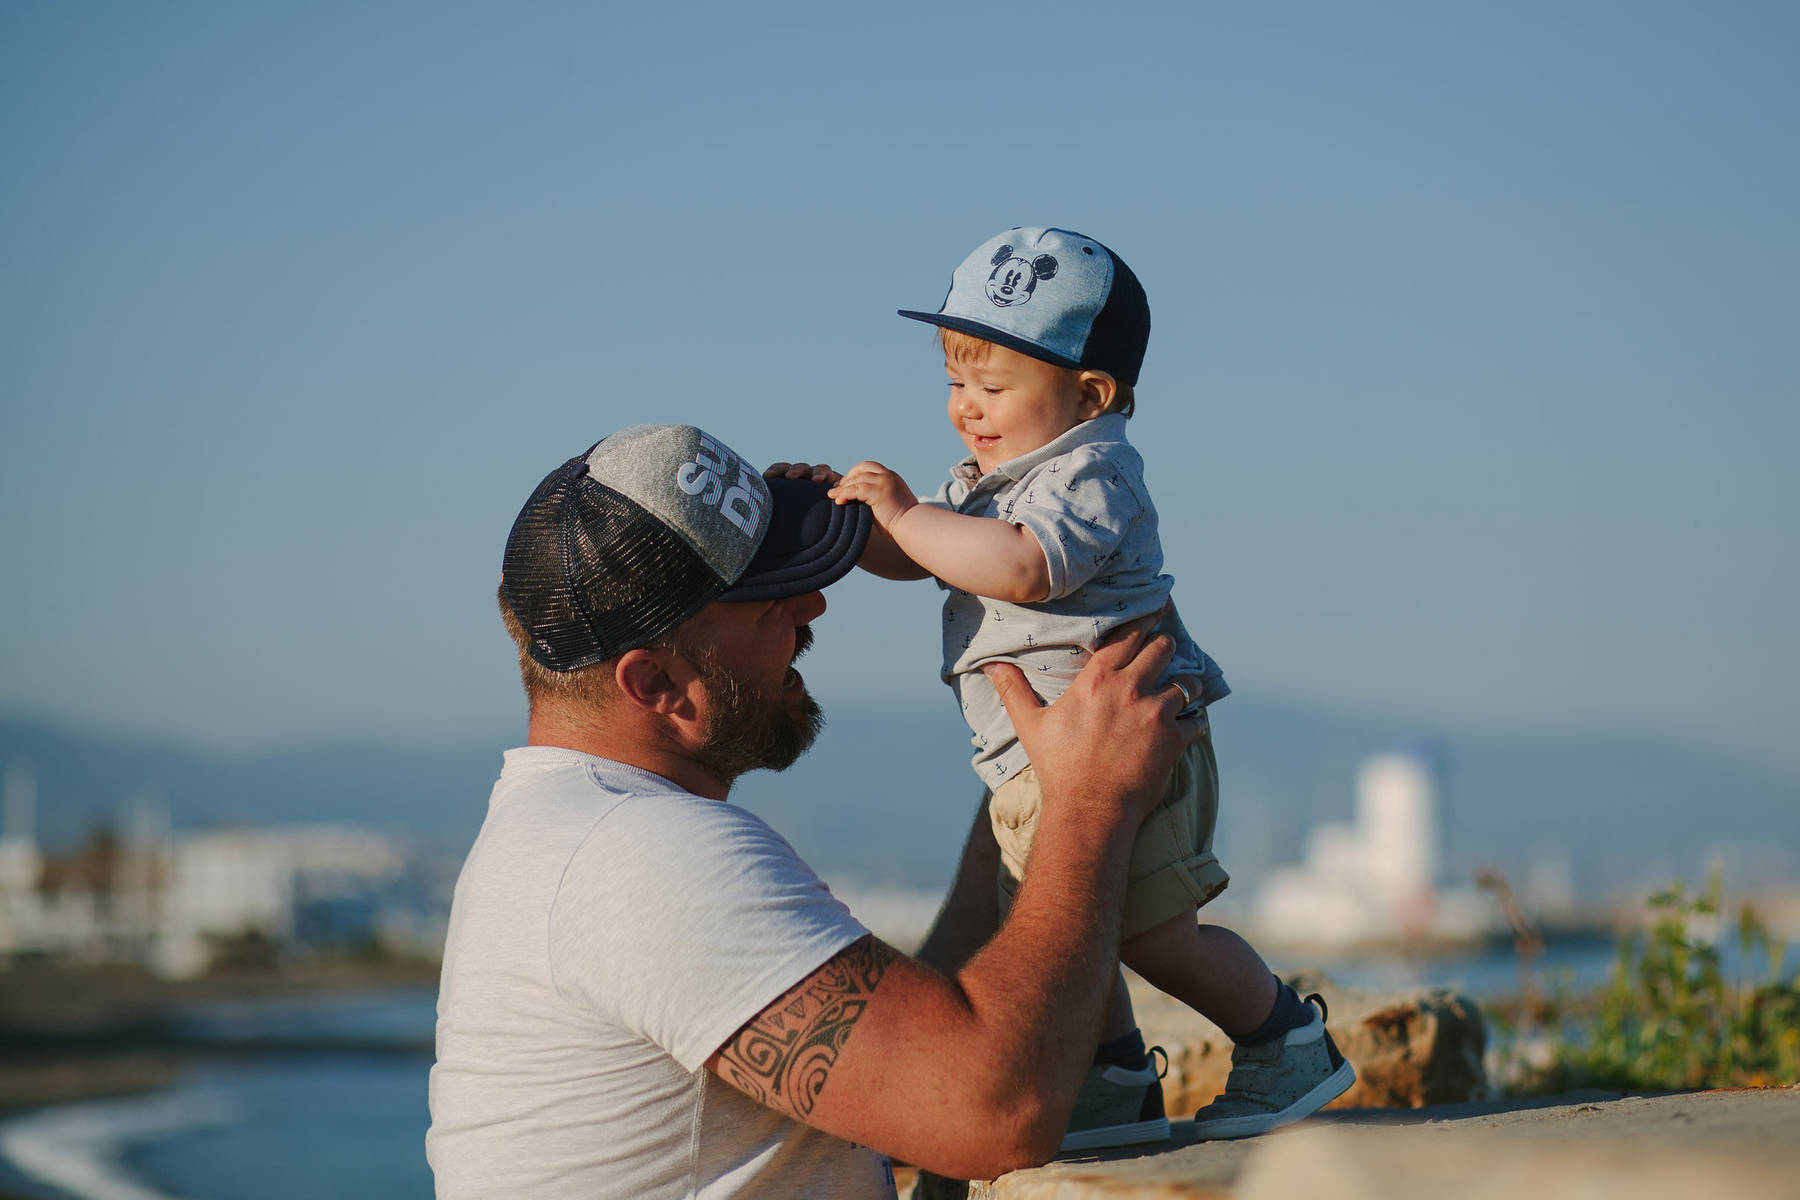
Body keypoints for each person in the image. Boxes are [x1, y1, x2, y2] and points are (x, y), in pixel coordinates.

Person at [425, 422, 1205, 1198]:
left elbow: (893, 1053)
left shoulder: (566, 832)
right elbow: (988, 1105)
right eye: (769, 606)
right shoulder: (642, 856)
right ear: (656, 684)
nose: (814, 608)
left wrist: (1033, 791)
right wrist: (1088, 802)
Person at [788, 225, 1355, 1148]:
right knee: (1064, 934)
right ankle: (1114, 1082)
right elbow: (936, 559)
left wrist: (907, 512)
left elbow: (1018, 569)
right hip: (1038, 767)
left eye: (993, 385)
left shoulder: (1091, 476)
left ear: (1090, 395)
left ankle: (1288, 1042)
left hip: (1129, 750)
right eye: (953, 382)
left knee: (1152, 933)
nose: (966, 407)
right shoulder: (986, 482)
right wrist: (854, 527)